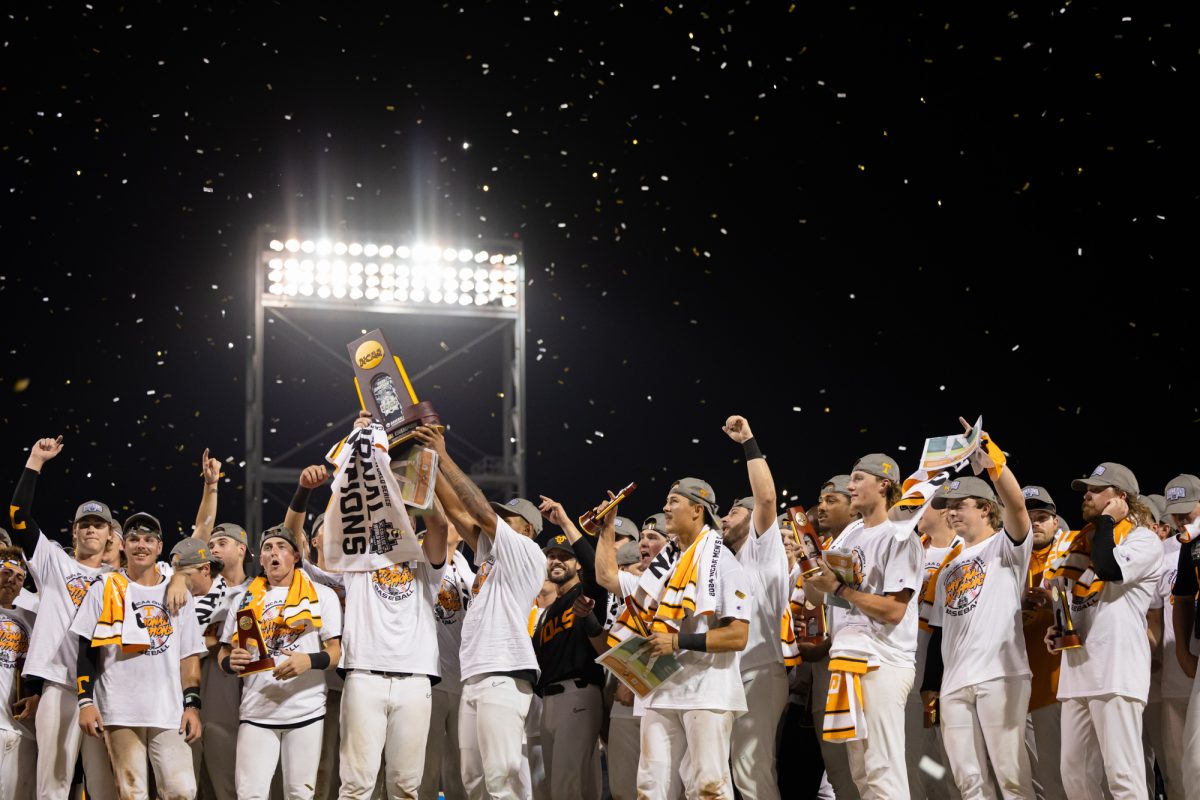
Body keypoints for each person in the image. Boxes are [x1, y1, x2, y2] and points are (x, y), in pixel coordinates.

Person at [413, 424, 546, 800]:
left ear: (528, 531)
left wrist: (444, 454)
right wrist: (428, 463)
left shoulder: (526, 554)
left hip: (504, 673)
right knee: (473, 781)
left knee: (502, 778)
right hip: (474, 676)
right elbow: (457, 512)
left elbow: (480, 511)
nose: (500, 522)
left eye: (510, 519)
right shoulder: (490, 556)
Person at [610, 468, 752, 800]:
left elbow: (737, 636)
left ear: (697, 509)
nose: (667, 509)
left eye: (674, 502)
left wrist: (676, 641)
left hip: (708, 690)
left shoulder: (725, 565)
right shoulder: (666, 567)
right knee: (650, 786)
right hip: (662, 689)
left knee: (707, 786)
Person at [921, 426, 1036, 799]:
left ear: (986, 508)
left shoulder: (1008, 546)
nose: (951, 514)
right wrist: (931, 685)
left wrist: (993, 464)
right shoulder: (948, 567)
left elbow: (1017, 506)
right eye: (948, 508)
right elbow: (940, 630)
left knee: (1012, 777)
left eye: (960, 506)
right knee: (968, 781)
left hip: (999, 675)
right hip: (955, 682)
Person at [805, 453, 922, 800]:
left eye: (858, 479)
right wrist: (810, 567)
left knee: (883, 768)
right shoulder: (850, 533)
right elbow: (817, 597)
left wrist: (841, 588)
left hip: (883, 661)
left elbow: (893, 611)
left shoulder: (900, 536)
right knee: (862, 773)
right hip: (848, 657)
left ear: (884, 484)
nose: (851, 486)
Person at [1045, 462, 1161, 800]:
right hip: (1077, 671)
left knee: (1123, 776)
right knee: (1075, 776)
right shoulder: (1080, 546)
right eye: (1086, 491)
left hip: (1117, 672)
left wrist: (1109, 520)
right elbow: (1072, 603)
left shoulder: (1143, 540)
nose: (1088, 496)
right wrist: (1057, 631)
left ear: (1121, 498)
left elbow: (1109, 569)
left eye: (1097, 491)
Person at [72, 511, 205, 800]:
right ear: (123, 546)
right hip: (120, 708)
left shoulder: (178, 590)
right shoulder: (104, 588)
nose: (140, 545)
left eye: (148, 539)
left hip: (168, 710)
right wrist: (85, 701)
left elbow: (189, 655)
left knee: (183, 790)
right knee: (132, 793)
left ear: (159, 547)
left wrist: (192, 706)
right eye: (133, 539)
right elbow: (85, 650)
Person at [218, 523, 342, 800]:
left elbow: (335, 653)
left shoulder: (323, 595)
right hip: (256, 711)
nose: (274, 553)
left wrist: (309, 661)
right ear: (260, 559)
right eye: (267, 548)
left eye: (282, 547)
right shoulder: (243, 599)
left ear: (296, 556)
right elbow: (224, 653)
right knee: (251, 795)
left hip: (306, 710)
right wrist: (230, 662)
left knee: (300, 795)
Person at [718, 416, 787, 800]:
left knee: (751, 771)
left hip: (760, 668)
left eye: (733, 512)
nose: (725, 518)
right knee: (733, 772)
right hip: (735, 673)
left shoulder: (762, 547)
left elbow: (765, 498)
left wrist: (748, 442)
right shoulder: (727, 562)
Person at [530, 497, 609, 800]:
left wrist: (564, 521)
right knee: (567, 790)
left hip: (578, 693)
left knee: (565, 790)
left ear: (576, 564)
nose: (557, 560)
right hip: (550, 703)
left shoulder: (585, 593)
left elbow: (595, 567)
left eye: (565, 555)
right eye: (551, 555)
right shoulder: (547, 613)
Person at [420, 515, 474, 800]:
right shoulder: (425, 557)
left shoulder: (468, 570)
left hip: (464, 680)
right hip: (432, 678)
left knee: (462, 773)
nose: (452, 522)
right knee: (426, 771)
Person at [1018, 486, 1066, 800]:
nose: (1035, 523)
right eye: (1028, 516)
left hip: (1058, 684)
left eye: (1043, 517)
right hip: (1017, 688)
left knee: (1065, 775)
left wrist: (1055, 600)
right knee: (1033, 780)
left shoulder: (1070, 550)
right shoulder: (1008, 558)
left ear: (1055, 521)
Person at [1165, 474, 1200, 791]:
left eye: (1187, 511)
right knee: (1195, 762)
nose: (1179, 520)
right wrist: (1181, 651)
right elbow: (1184, 598)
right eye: (1174, 512)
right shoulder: (1190, 545)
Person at [0, 545, 38, 800]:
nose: (12, 580)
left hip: (16, 727)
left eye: (19, 577)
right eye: (6, 573)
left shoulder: (30, 619)